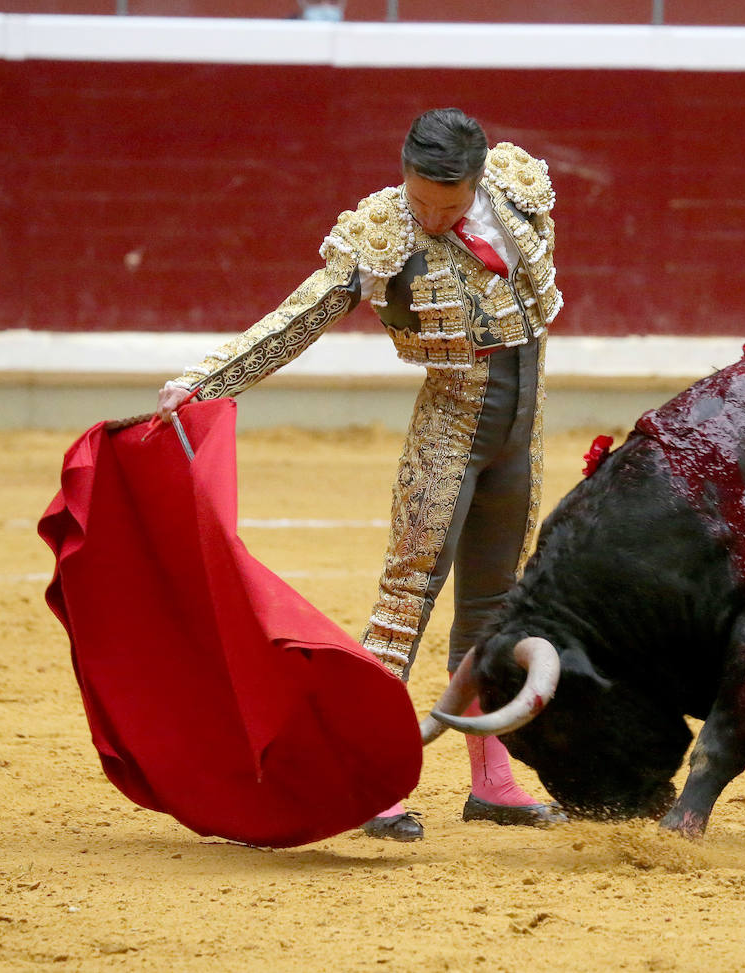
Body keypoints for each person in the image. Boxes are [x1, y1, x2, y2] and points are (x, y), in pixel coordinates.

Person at [154, 107, 568, 840]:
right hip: (450, 432)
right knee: (405, 601)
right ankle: (368, 776)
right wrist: (210, 379)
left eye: (448, 205)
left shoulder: (516, 187)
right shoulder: (383, 230)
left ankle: (492, 779)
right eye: (419, 201)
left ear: (476, 183)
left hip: (521, 432)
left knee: (496, 605)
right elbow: (303, 313)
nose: (432, 217)